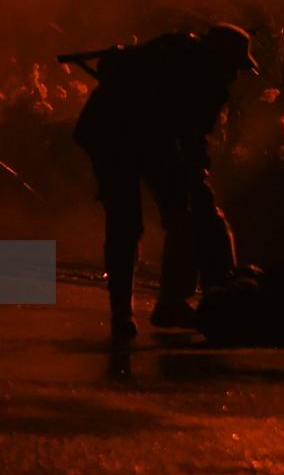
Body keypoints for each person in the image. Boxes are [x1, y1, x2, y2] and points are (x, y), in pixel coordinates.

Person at [72, 21, 258, 341]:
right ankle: (131, 311)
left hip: (146, 137)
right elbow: (188, 137)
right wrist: (195, 173)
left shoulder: (199, 74)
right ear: (217, 58)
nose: (234, 76)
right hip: (113, 134)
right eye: (232, 66)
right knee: (131, 221)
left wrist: (196, 174)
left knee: (174, 217)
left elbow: (191, 140)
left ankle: (165, 305)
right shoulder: (185, 72)